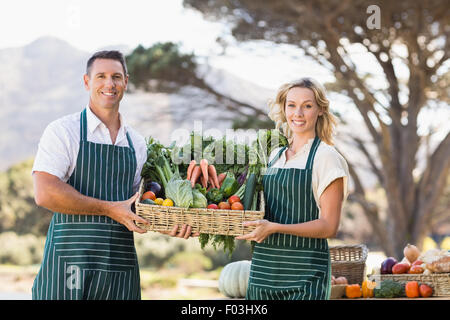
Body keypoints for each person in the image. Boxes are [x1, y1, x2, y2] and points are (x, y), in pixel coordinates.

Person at [31, 50, 194, 300]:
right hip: (68, 267)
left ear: (126, 82)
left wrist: (168, 224)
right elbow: (45, 193)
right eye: (101, 76)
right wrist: (108, 209)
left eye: (116, 77)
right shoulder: (64, 131)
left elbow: (136, 206)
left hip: (120, 270)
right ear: (87, 82)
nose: (110, 84)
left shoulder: (137, 143)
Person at [236, 77, 349, 300]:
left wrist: (275, 228)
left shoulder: (326, 158)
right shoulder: (273, 157)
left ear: (319, 110)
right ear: (284, 108)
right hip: (262, 276)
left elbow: (329, 226)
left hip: (304, 280)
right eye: (292, 105)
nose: (298, 113)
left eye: (307, 106)